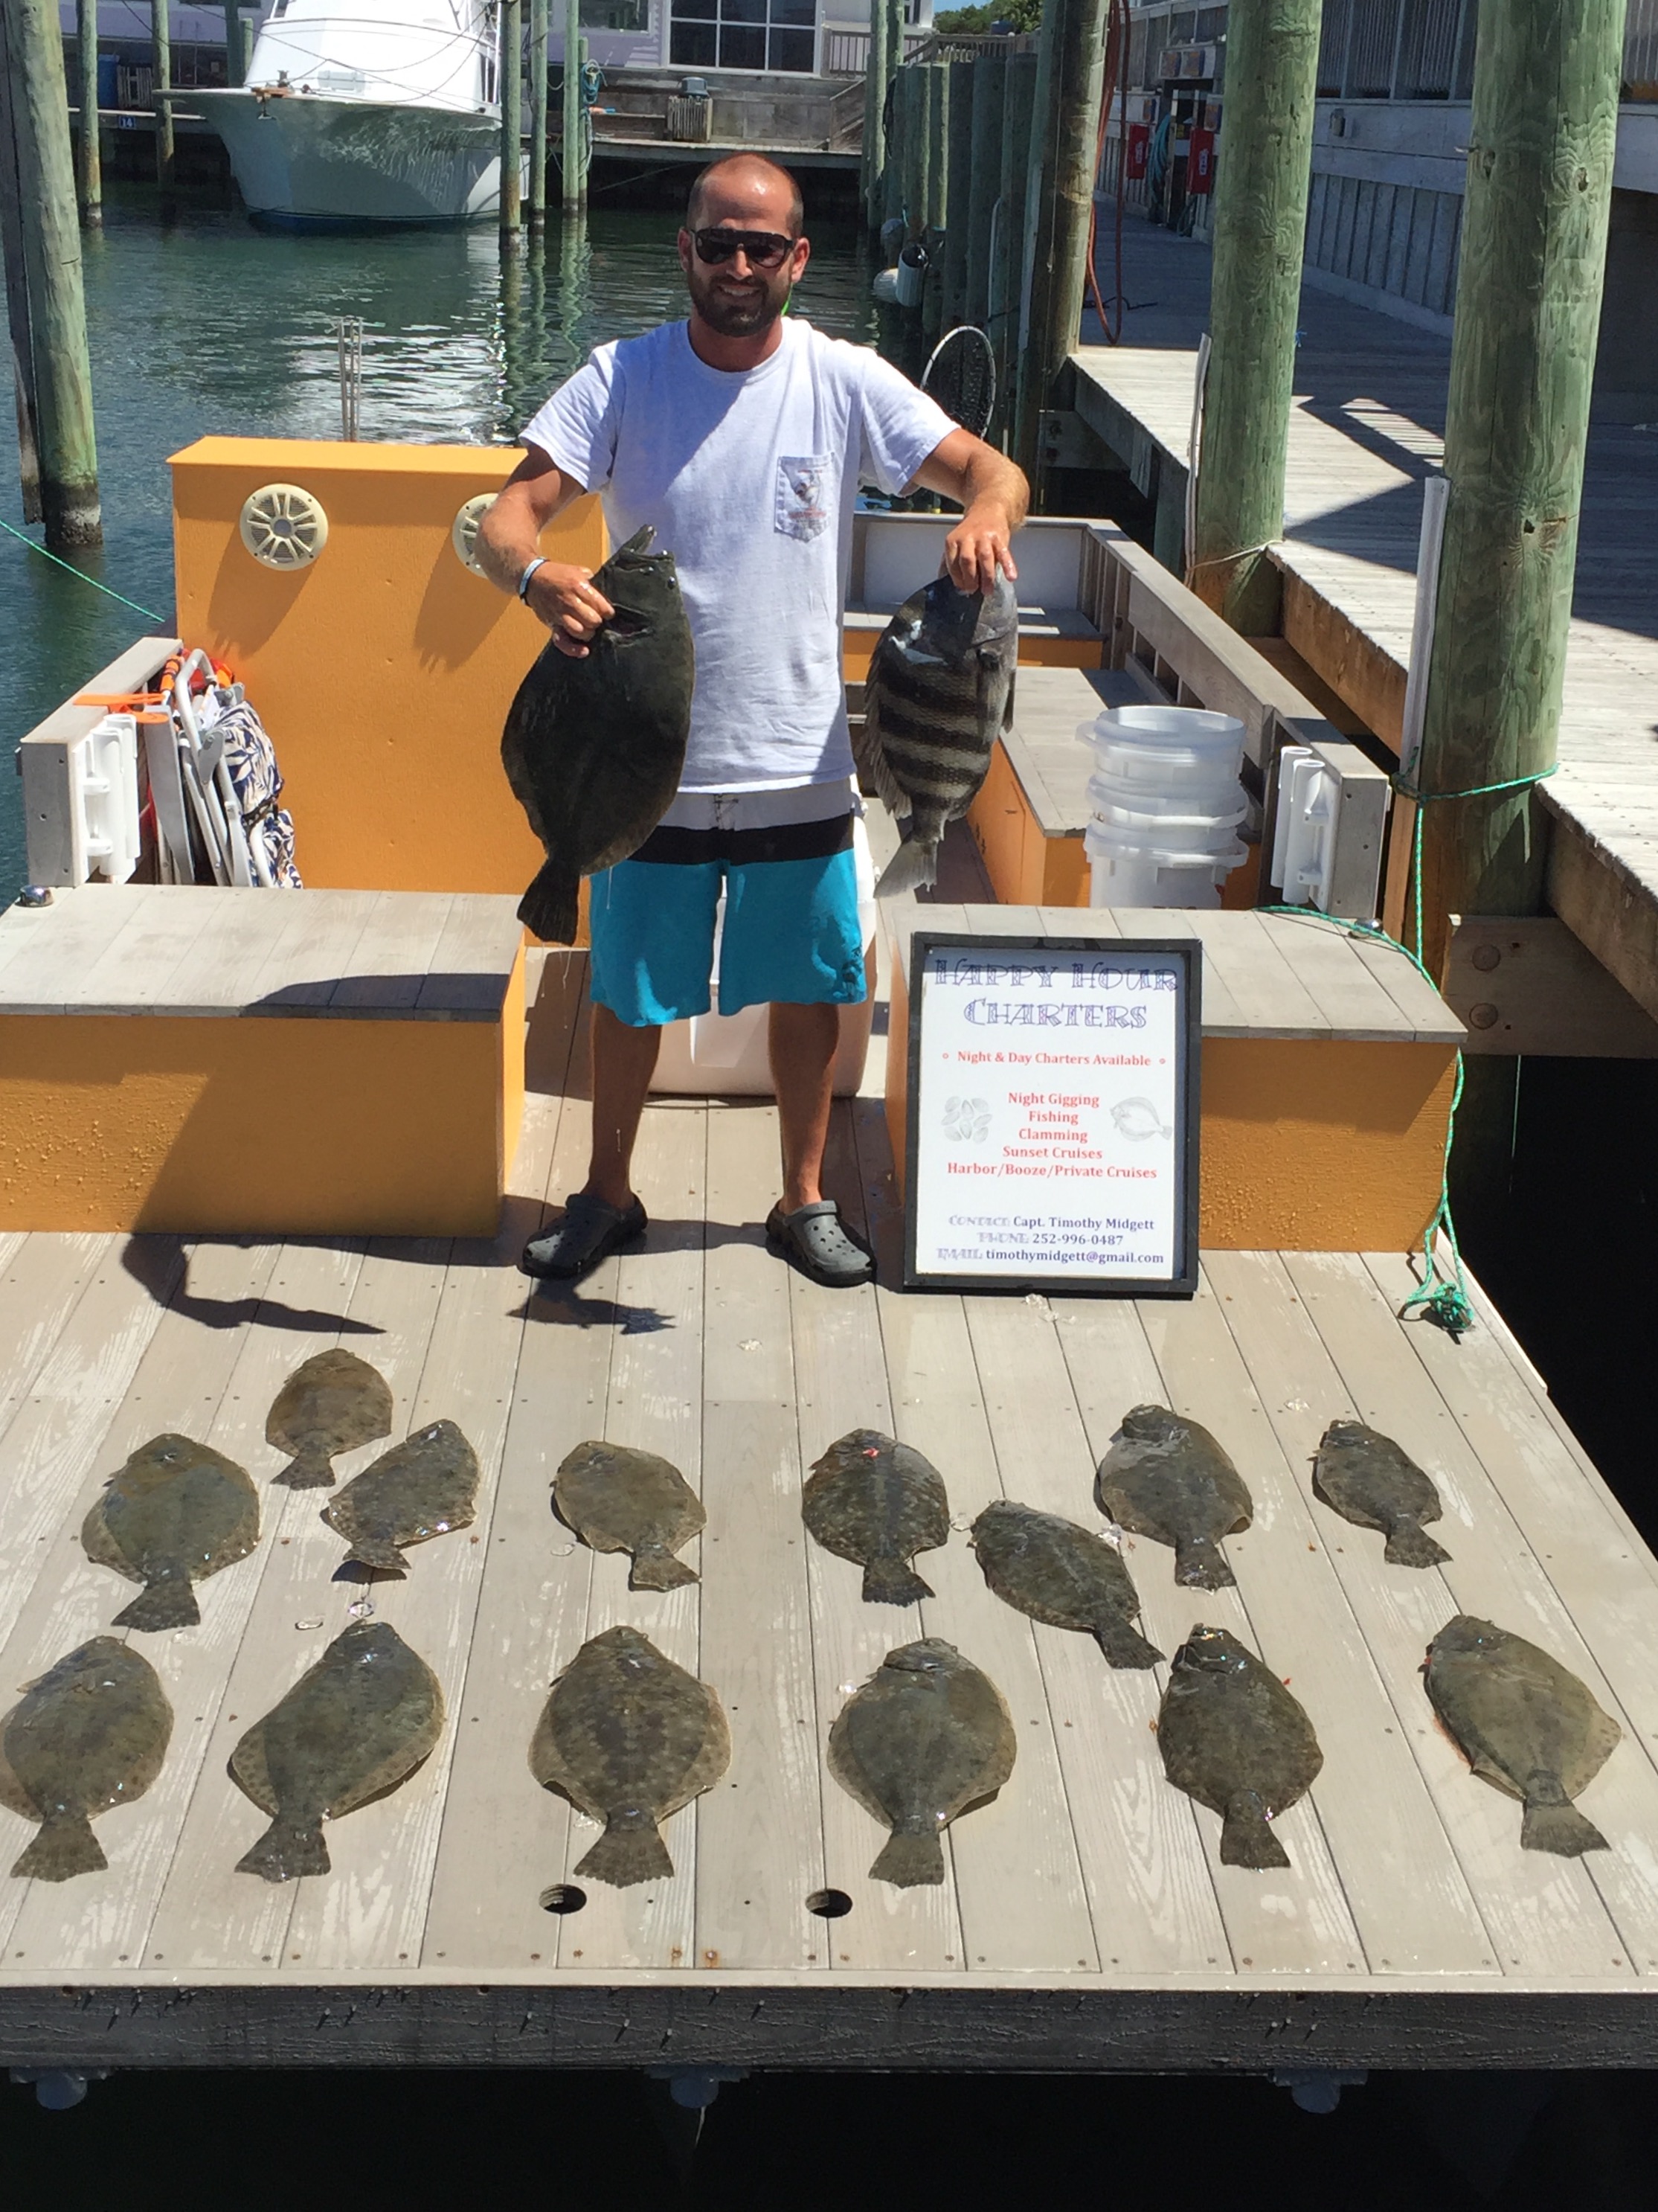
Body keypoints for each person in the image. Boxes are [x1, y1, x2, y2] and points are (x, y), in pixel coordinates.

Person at [480, 152, 1028, 1289]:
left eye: (761, 246)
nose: (738, 265)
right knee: (628, 988)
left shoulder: (843, 379)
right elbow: (506, 518)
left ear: (796, 259)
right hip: (648, 759)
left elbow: (992, 470)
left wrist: (982, 512)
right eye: (718, 242)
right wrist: (536, 578)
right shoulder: (621, 378)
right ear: (683, 249)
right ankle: (608, 1190)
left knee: (814, 985)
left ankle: (802, 1199)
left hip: (800, 756)